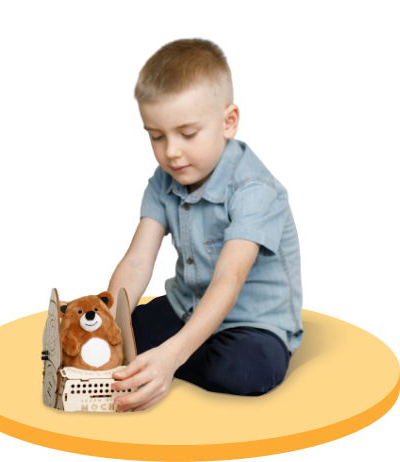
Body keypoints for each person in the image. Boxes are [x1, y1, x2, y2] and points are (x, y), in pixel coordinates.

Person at [106, 37, 304, 413]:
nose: (171, 152)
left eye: (187, 134)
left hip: (250, 323)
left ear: (229, 123)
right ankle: (163, 355)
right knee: (126, 328)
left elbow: (229, 280)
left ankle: (168, 360)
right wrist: (109, 325)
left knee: (246, 370)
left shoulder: (254, 189)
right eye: (157, 136)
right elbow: (137, 261)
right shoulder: (165, 177)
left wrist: (171, 355)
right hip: (185, 307)